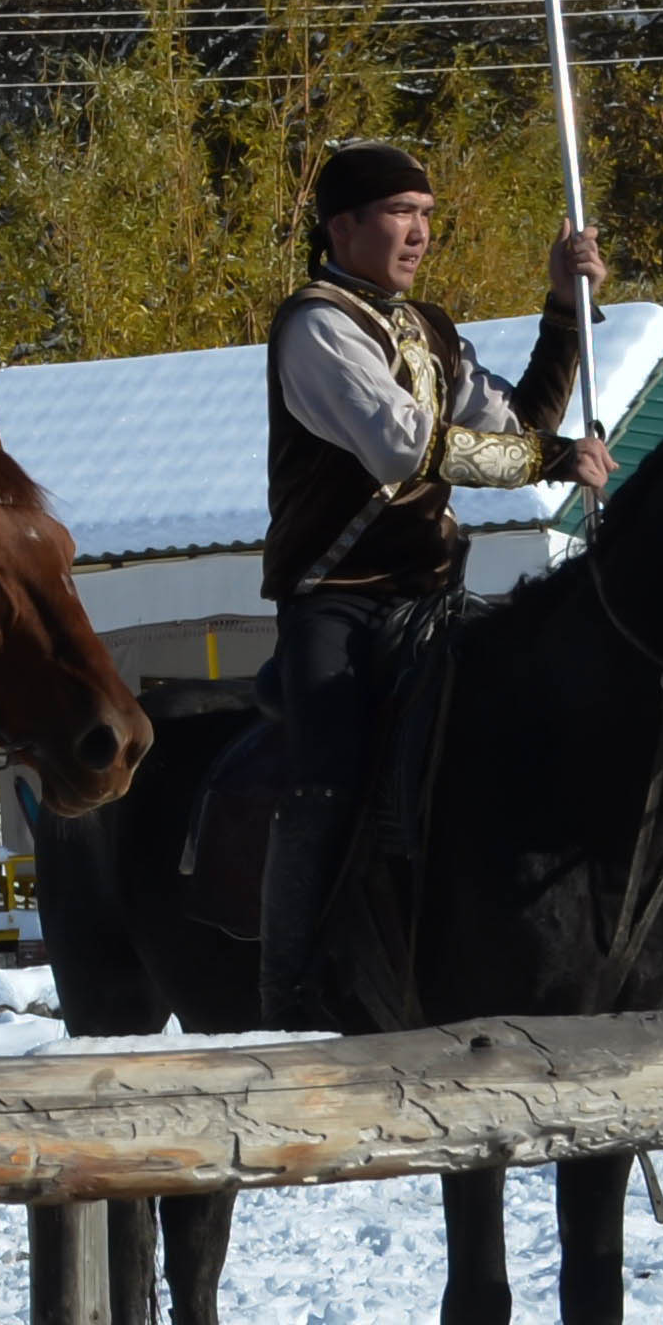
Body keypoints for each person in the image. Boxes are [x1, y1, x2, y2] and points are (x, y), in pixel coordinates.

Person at [259, 140, 612, 1028]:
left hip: (431, 595)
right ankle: (289, 978)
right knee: (327, 779)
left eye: (425, 213)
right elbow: (406, 445)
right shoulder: (317, 325)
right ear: (343, 226)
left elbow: (523, 423)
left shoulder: (430, 331)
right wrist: (548, 460)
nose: (418, 232)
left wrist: (562, 310)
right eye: (399, 213)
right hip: (335, 598)